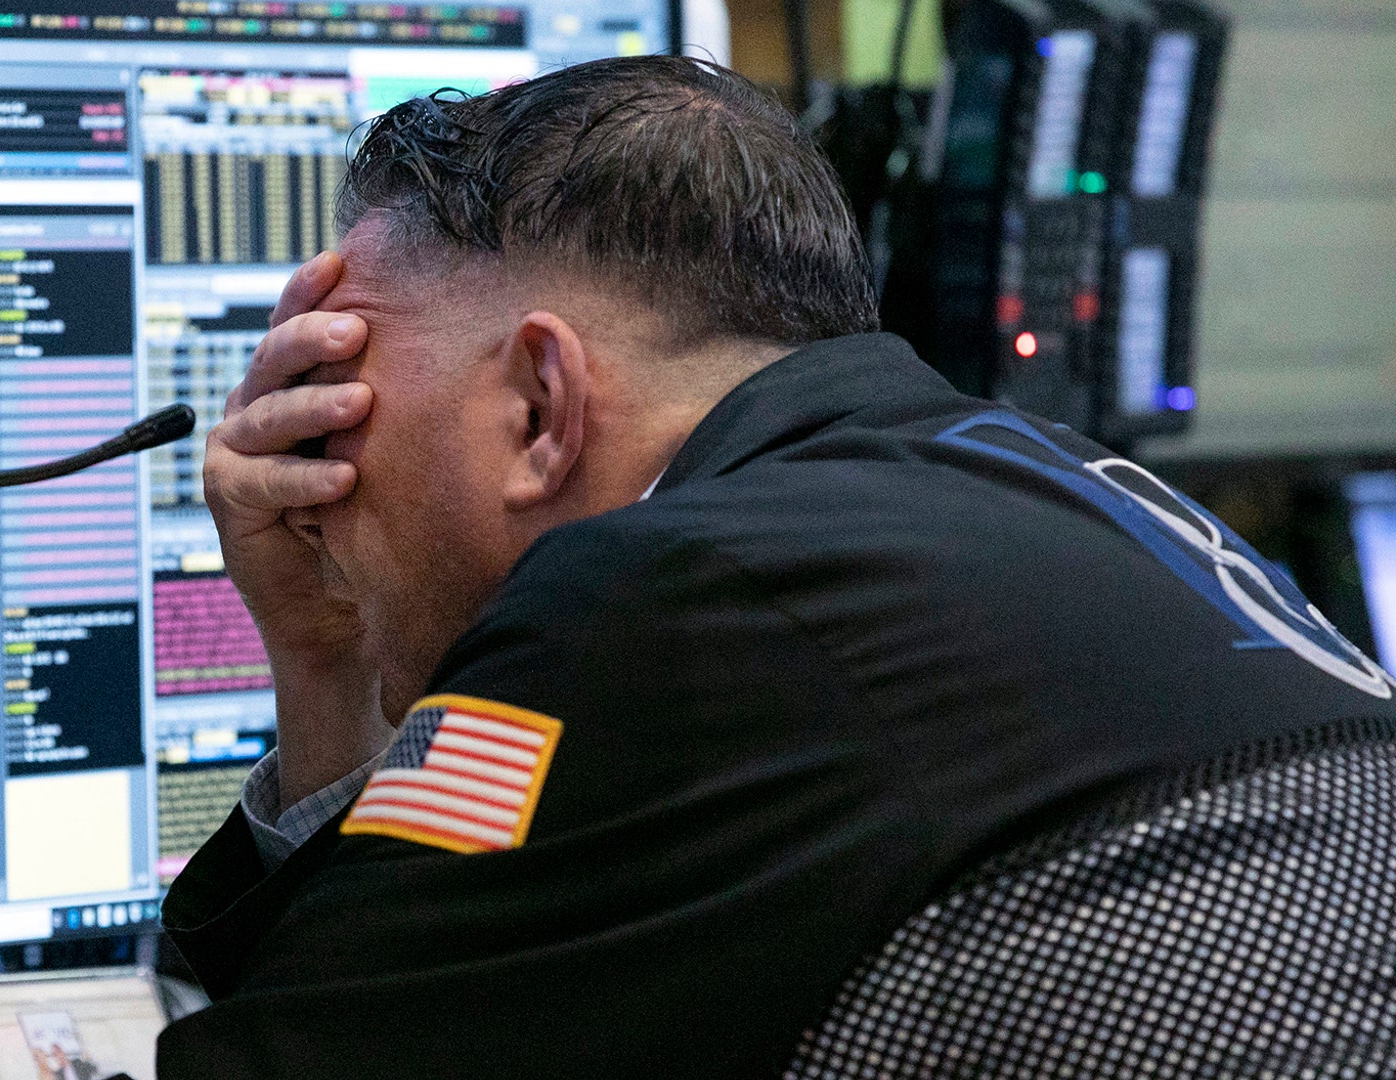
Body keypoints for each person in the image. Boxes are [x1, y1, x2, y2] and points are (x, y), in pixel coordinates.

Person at [155, 56, 1396, 1077]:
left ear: (541, 405)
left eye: (339, 408)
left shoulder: (667, 596)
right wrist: (327, 659)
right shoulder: (1052, 485)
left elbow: (298, 1042)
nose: (319, 483)